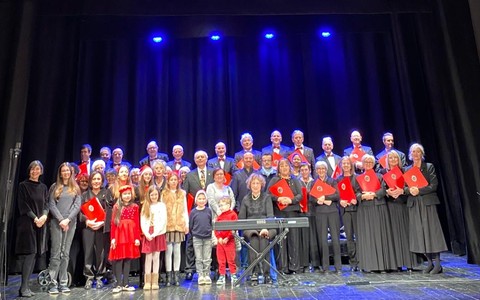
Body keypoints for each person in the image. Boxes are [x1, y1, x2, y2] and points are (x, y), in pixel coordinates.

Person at [404, 143, 447, 274]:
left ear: (422, 154)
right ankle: (429, 263)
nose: (416, 154)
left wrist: (419, 190)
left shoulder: (428, 167)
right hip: (414, 204)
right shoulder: (407, 170)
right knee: (420, 234)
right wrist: (409, 190)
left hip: (427, 203)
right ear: (410, 155)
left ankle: (438, 264)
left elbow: (434, 185)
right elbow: (405, 188)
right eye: (413, 152)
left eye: (418, 152)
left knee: (431, 232)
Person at [355, 155, 396, 273]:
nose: (368, 163)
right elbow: (356, 193)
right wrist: (363, 196)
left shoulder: (380, 176)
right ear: (362, 164)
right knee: (368, 237)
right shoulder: (359, 178)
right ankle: (370, 266)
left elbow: (384, 190)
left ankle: (383, 266)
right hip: (365, 210)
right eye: (365, 161)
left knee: (380, 236)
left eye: (370, 162)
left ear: (373, 164)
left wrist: (373, 194)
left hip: (379, 208)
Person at [15, 161, 49, 297]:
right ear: (29, 171)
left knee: (34, 254)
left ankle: (25, 287)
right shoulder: (23, 186)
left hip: (40, 223)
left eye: (38, 169)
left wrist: (45, 216)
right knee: (29, 253)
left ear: (41, 171)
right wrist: (35, 218)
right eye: (33, 169)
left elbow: (47, 203)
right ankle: (23, 288)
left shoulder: (43, 187)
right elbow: (23, 205)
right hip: (27, 223)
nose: (35, 171)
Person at [383, 150, 420, 271]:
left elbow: (411, 186)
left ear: (399, 159)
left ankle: (409, 263)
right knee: (393, 236)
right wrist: (387, 192)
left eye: (395, 158)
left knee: (405, 234)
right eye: (390, 158)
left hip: (403, 204)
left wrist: (402, 190)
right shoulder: (383, 172)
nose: (393, 160)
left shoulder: (405, 171)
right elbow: (381, 189)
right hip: (390, 206)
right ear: (387, 160)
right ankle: (396, 264)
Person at [47, 162, 81, 294]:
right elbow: (51, 204)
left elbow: (77, 206)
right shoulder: (55, 187)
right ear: (60, 173)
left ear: (71, 172)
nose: (66, 172)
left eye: (68, 170)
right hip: (57, 223)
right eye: (64, 170)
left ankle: (63, 282)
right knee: (56, 253)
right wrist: (61, 220)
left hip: (70, 224)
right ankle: (52, 283)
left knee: (65, 254)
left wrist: (68, 220)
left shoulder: (75, 188)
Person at [238, 173, 276, 284]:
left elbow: (270, 216)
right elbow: (242, 218)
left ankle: (266, 274)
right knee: (254, 241)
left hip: (266, 227)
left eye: (257, 183)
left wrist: (265, 228)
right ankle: (253, 273)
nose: (255, 185)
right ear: (250, 185)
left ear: (261, 185)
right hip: (250, 228)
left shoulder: (267, 197)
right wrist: (251, 228)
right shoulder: (245, 199)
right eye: (253, 183)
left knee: (264, 241)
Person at [267, 158, 302, 274]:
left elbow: (300, 195)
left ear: (290, 167)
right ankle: (282, 267)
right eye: (281, 166)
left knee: (294, 240)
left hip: (293, 213)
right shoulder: (275, 180)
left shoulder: (295, 180)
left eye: (286, 166)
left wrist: (290, 200)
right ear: (278, 168)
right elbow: (268, 195)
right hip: (280, 213)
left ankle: (294, 267)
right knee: (281, 240)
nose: (284, 168)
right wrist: (279, 198)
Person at [182, 150, 214, 280]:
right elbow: (184, 194)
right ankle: (190, 269)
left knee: (211, 242)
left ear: (207, 158)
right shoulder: (190, 175)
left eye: (202, 157)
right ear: (195, 160)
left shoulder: (213, 173)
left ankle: (213, 269)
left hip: (210, 212)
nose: (200, 159)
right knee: (191, 241)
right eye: (197, 157)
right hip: (194, 213)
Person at [109, 185, 141, 293]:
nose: (127, 196)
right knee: (119, 259)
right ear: (121, 196)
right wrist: (113, 238)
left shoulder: (135, 207)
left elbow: (137, 223)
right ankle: (119, 284)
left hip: (130, 235)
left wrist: (137, 237)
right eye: (125, 194)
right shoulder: (116, 207)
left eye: (128, 194)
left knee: (128, 259)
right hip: (119, 235)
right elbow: (113, 224)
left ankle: (126, 283)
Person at [311, 161, 341, 273]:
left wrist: (326, 198)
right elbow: (311, 198)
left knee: (335, 239)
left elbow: (337, 195)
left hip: (332, 211)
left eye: (323, 168)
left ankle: (338, 266)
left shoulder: (332, 181)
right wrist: (317, 200)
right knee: (323, 240)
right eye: (319, 169)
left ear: (326, 169)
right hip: (320, 213)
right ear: (316, 170)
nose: (321, 171)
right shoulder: (314, 183)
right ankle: (325, 266)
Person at [81, 171, 108, 289]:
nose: (96, 181)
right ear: (90, 181)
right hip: (88, 228)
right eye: (94, 179)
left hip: (101, 228)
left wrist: (103, 223)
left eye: (98, 179)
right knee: (88, 253)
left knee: (100, 254)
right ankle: (88, 278)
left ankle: (100, 277)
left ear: (102, 181)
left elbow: (110, 211)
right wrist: (87, 222)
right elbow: (80, 213)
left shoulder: (106, 194)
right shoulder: (84, 195)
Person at [162, 172, 189, 286]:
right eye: (171, 180)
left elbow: (185, 209)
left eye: (175, 180)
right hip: (168, 224)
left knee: (177, 249)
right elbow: (162, 210)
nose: (173, 182)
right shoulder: (164, 193)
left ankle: (176, 275)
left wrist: (186, 224)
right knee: (169, 250)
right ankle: (169, 275)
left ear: (179, 181)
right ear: (168, 181)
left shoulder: (182, 193)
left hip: (179, 224)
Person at [140, 186, 167, 290]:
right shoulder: (146, 206)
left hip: (158, 233)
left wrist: (155, 233)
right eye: (152, 195)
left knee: (156, 256)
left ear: (158, 195)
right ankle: (147, 281)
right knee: (148, 257)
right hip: (148, 233)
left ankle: (155, 281)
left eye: (156, 194)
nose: (154, 196)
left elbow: (163, 220)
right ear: (149, 195)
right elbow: (142, 221)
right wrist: (146, 233)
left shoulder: (162, 205)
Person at [337, 156, 359, 271]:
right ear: (341, 165)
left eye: (347, 163)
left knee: (359, 236)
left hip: (356, 210)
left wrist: (357, 199)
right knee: (349, 237)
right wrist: (341, 201)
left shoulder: (357, 178)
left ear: (351, 165)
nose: (345, 165)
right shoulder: (338, 179)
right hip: (345, 211)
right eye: (343, 163)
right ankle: (353, 262)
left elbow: (360, 192)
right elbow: (336, 194)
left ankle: (361, 260)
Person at [297, 162, 320, 272]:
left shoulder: (315, 182)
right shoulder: (297, 182)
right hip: (302, 214)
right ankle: (305, 264)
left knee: (314, 239)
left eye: (306, 170)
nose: (304, 172)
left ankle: (315, 263)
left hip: (314, 213)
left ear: (310, 170)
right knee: (304, 239)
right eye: (302, 170)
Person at [189, 190, 213, 285]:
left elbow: (211, 223)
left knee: (207, 257)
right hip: (197, 238)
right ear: (196, 200)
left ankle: (207, 274)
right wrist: (194, 233)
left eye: (203, 199)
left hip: (207, 237)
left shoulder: (208, 211)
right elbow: (191, 226)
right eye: (199, 198)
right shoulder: (193, 212)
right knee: (199, 258)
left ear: (206, 200)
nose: (201, 200)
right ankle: (200, 275)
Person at [214, 196, 238, 285]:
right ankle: (222, 275)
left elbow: (233, 229)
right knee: (221, 260)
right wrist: (219, 238)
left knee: (231, 259)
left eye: (223, 205)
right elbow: (216, 229)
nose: (221, 207)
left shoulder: (233, 215)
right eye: (220, 205)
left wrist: (227, 238)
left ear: (228, 205)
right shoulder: (219, 217)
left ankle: (233, 275)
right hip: (221, 242)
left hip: (229, 241)